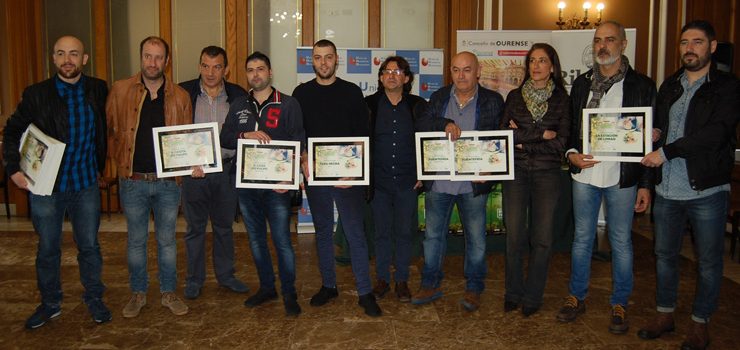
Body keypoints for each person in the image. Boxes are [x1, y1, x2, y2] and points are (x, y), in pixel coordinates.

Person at [638, 20, 740, 350]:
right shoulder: (670, 85)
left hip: (706, 190)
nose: (689, 48)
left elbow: (717, 133)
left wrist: (666, 150)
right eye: (684, 42)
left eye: (697, 42)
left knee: (708, 262)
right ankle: (665, 314)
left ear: (711, 47)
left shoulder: (726, 86)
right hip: (667, 190)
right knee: (664, 255)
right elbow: (659, 127)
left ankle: (700, 322)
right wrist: (654, 134)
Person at [3, 35, 111, 329]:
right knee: (48, 248)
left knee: (89, 246)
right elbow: (12, 131)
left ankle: (94, 298)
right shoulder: (36, 94)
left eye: (74, 54)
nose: (68, 60)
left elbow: (108, 128)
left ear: (84, 59)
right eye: (61, 54)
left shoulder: (98, 89)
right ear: (53, 59)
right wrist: (13, 168)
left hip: (85, 184)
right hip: (46, 189)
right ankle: (50, 303)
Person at [556, 21, 656, 334]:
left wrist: (645, 185)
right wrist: (571, 153)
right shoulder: (583, 83)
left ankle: (619, 302)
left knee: (621, 242)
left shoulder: (642, 85)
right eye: (598, 40)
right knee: (582, 238)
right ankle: (576, 296)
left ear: (623, 45)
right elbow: (572, 126)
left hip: (622, 177)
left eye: (610, 40)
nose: (603, 46)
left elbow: (650, 140)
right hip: (585, 175)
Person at [292, 39, 382, 317]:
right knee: (322, 232)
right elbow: (298, 133)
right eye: (318, 58)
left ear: (336, 60)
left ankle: (365, 292)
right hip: (317, 175)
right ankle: (329, 285)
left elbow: (362, 135)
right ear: (312, 61)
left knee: (355, 233)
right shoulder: (301, 93)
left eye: (328, 57)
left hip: (347, 175)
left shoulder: (351, 92)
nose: (323, 63)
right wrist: (304, 155)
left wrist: (354, 171)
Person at [411, 51, 505, 312]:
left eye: (466, 70)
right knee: (432, 238)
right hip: (440, 182)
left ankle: (474, 288)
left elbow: (501, 138)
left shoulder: (493, 101)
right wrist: (445, 123)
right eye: (455, 70)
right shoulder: (440, 96)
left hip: (473, 184)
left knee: (476, 239)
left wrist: (492, 169)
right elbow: (422, 123)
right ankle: (430, 283)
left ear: (478, 71)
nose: (461, 75)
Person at [107, 36, 192, 318]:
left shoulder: (180, 96)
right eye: (147, 56)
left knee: (167, 241)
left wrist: (194, 162)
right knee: (135, 241)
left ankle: (168, 292)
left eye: (158, 57)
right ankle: (138, 293)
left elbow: (189, 138)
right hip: (133, 181)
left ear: (167, 61)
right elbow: (109, 131)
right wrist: (115, 168)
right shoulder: (120, 90)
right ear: (141, 57)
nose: (152, 62)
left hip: (168, 183)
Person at [221, 51, 305, 316]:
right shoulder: (238, 105)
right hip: (246, 186)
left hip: (277, 187)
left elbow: (298, 141)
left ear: (270, 73)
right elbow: (225, 137)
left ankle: (289, 293)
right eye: (250, 70)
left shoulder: (288, 104)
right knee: (256, 240)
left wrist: (290, 181)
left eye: (260, 69)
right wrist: (245, 134)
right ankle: (268, 287)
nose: (255, 74)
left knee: (281, 240)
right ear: (246, 74)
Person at [501, 43, 570, 317]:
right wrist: (541, 134)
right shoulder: (514, 97)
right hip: (516, 172)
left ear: (552, 66)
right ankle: (513, 293)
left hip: (547, 174)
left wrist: (524, 138)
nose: (536, 66)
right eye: (532, 61)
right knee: (514, 236)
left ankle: (533, 296)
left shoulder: (563, 100)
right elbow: (504, 136)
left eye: (542, 61)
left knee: (542, 239)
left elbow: (561, 144)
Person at [178, 46, 249, 299]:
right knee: (195, 228)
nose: (210, 72)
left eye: (217, 66)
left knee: (223, 227)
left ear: (225, 69)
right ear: (199, 66)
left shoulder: (239, 95)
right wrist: (186, 163)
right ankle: (194, 280)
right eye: (205, 66)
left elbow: (246, 130)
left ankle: (226, 276)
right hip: (194, 173)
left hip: (227, 172)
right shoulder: (183, 92)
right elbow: (174, 134)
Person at [365, 56, 427, 302]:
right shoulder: (368, 105)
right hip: (378, 182)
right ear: (380, 78)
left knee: (403, 233)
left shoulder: (418, 105)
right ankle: (382, 280)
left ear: (407, 78)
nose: (391, 75)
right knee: (381, 233)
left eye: (397, 71)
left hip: (407, 181)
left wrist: (424, 173)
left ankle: (401, 281)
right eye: (386, 71)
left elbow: (428, 141)